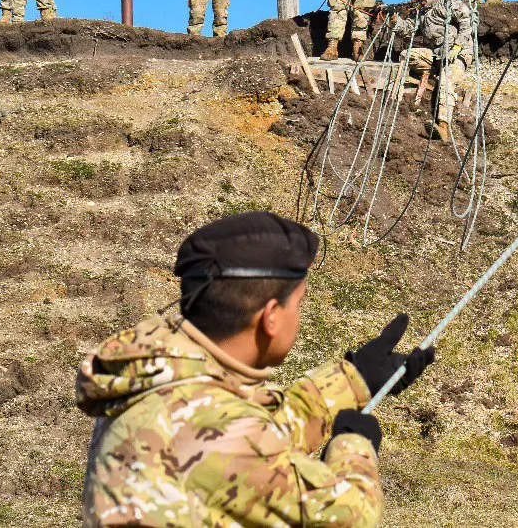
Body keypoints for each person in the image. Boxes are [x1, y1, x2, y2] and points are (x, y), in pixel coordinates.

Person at [77, 211, 435, 526]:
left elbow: (252, 442)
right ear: (271, 317)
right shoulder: (222, 434)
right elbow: (349, 516)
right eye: (299, 303)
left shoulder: (159, 377)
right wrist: (354, 445)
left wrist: (355, 379)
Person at [393, 0, 473, 143]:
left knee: (446, 80)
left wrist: (458, 45)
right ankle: (428, 74)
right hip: (437, 55)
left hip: (458, 53)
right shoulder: (422, 13)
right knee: (407, 55)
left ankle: (443, 126)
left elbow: (467, 19)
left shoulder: (447, 2)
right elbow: (407, 29)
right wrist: (394, 18)